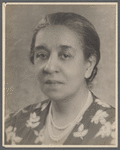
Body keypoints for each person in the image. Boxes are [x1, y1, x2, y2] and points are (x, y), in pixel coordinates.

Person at [5, 12, 115, 145]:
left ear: (89, 65)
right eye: (41, 55)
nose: (50, 67)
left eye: (65, 55)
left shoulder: (113, 127)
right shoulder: (13, 125)